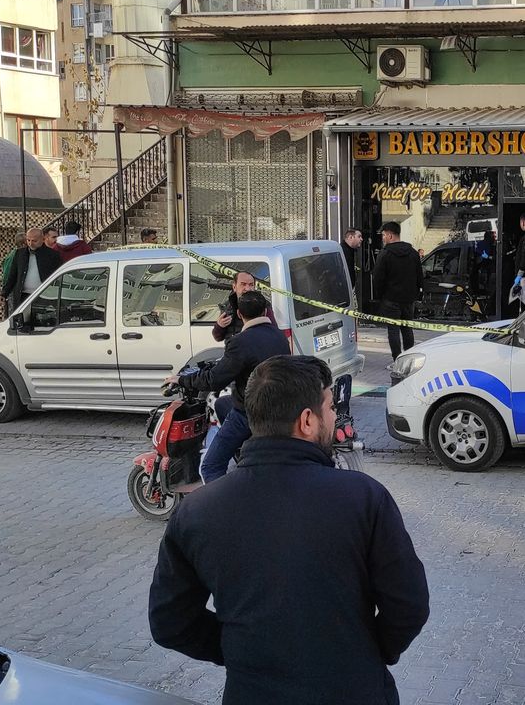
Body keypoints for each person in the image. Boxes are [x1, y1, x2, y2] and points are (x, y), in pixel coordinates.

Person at [149, 355, 429, 705]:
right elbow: (409, 605)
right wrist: (369, 652)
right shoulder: (364, 498)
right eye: (330, 407)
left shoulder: (196, 511)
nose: (334, 417)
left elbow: (170, 622)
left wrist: (239, 649)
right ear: (307, 421)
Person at [169, 290, 289, 483]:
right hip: (279, 407)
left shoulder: (240, 342)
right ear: (266, 312)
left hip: (250, 412)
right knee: (221, 403)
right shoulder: (279, 336)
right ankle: (243, 451)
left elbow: (214, 380)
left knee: (210, 466)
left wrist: (182, 380)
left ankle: (221, 500)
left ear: (239, 314)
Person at [372, 221, 424, 360]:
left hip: (390, 299)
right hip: (409, 299)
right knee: (407, 328)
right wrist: (418, 293)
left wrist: (379, 296)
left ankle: (397, 359)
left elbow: (378, 278)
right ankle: (409, 358)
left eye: (384, 235)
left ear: (390, 235)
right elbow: (419, 275)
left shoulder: (385, 254)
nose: (383, 238)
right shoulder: (413, 253)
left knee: (393, 330)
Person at [2, 227, 62, 311]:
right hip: (23, 296)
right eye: (28, 240)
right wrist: (3, 294)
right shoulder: (20, 253)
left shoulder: (53, 255)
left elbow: (58, 276)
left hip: (44, 296)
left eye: (34, 241)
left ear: (42, 239)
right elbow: (12, 275)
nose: (30, 243)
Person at [212, 271, 276, 343]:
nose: (248, 289)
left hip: (254, 346)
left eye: (251, 285)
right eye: (243, 284)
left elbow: (273, 332)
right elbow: (217, 337)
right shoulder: (227, 306)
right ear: (234, 287)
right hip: (232, 347)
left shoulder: (263, 305)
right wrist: (219, 326)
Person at [0, 231, 26, 318]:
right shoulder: (16, 255)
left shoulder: (13, 254)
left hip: (10, 285)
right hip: (12, 286)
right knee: (14, 310)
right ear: (23, 243)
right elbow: (9, 272)